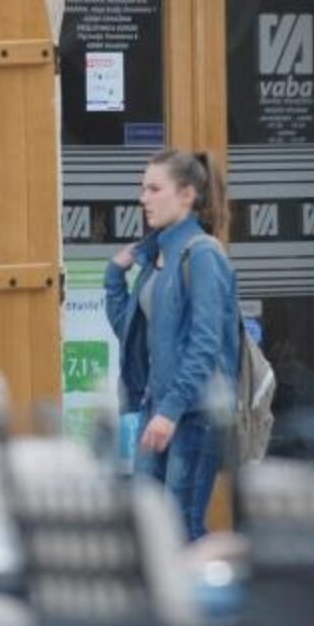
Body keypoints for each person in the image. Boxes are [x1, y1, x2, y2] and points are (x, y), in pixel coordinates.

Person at [106, 149, 240, 540]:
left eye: (154, 189)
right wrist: (114, 277)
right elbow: (131, 333)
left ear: (187, 195)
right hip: (159, 408)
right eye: (142, 188)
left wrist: (171, 411)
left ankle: (213, 582)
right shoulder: (157, 257)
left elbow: (206, 344)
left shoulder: (202, 254)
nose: (143, 198)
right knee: (149, 526)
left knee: (182, 529)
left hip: (194, 414)